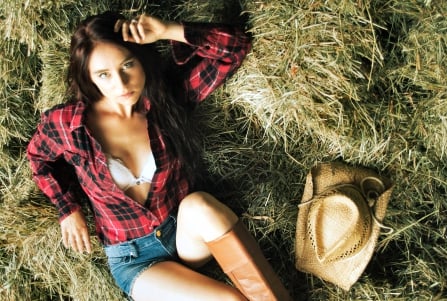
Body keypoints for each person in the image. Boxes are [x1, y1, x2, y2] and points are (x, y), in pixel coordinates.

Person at [27, 11, 292, 301]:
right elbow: (39, 160)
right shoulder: (67, 124)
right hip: (136, 260)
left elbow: (236, 46)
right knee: (232, 299)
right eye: (104, 75)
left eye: (127, 65)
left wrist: (168, 30)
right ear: (89, 78)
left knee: (200, 205)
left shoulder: (167, 102)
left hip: (182, 233)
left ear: (141, 60)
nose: (121, 83)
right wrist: (68, 209)